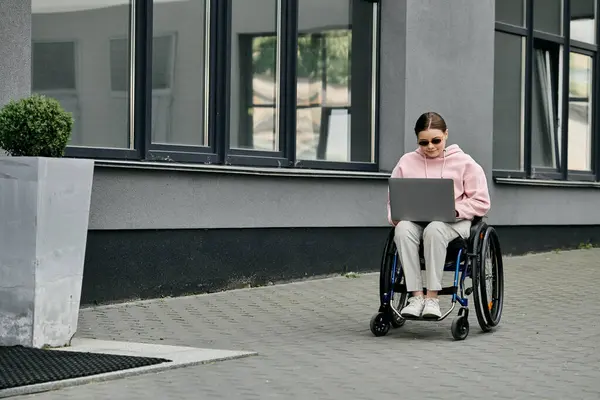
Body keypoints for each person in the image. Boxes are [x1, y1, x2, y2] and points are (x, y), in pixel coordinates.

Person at [386, 111, 491, 319]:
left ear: (446, 135)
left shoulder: (465, 163)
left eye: (436, 140)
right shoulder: (406, 162)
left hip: (455, 222)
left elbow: (482, 202)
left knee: (435, 228)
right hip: (417, 222)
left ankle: (432, 298)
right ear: (417, 140)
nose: (430, 147)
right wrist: (396, 216)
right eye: (424, 143)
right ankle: (416, 296)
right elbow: (393, 200)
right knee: (402, 229)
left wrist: (456, 210)